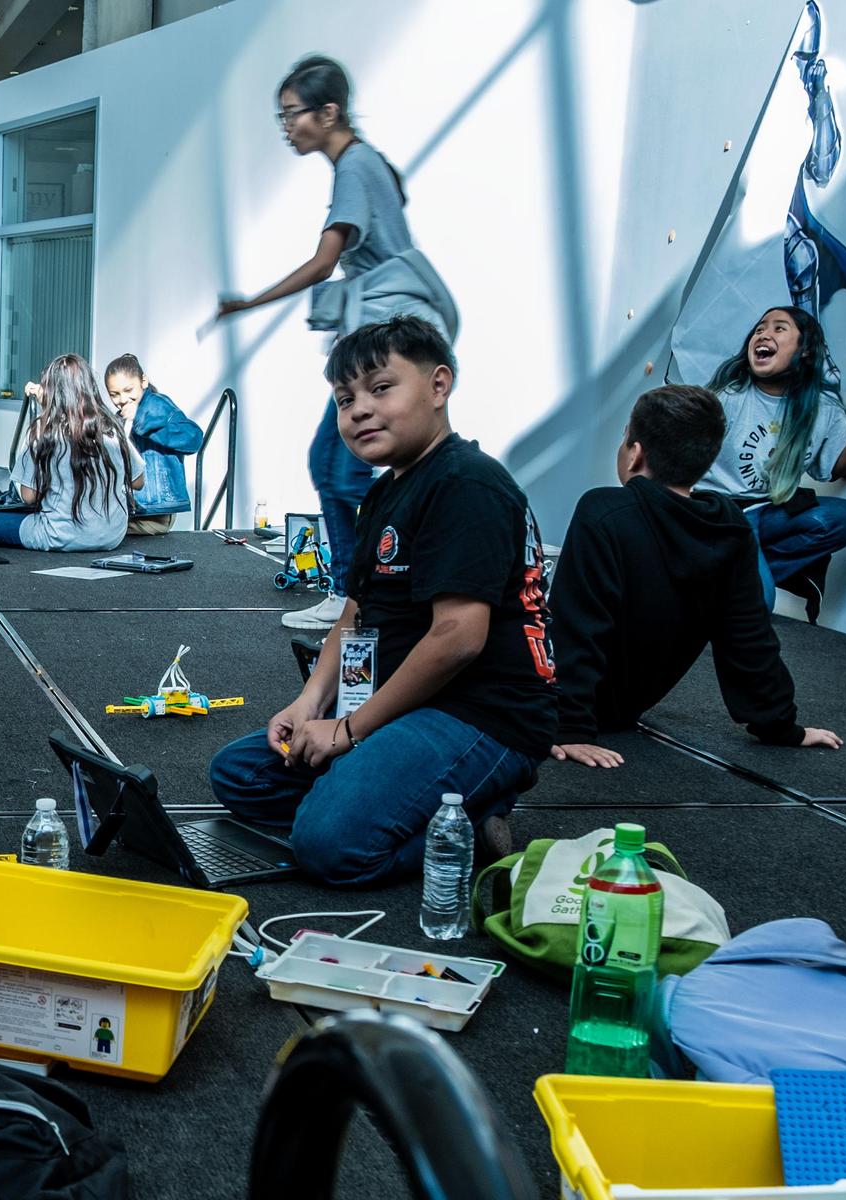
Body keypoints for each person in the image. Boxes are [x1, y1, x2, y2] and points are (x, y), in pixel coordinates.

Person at [208, 317, 553, 885]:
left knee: (328, 844)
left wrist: (348, 733)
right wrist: (310, 705)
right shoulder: (386, 492)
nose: (358, 411)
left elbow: (458, 638)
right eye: (345, 400)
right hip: (406, 704)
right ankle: (415, 799)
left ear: (439, 386)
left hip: (480, 715)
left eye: (380, 388)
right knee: (241, 774)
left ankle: (472, 814)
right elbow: (354, 613)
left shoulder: (467, 484)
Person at [211, 55, 456, 631]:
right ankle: (368, 590)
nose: (287, 127)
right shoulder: (363, 165)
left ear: (329, 111)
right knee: (341, 467)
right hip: (392, 342)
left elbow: (325, 263)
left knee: (337, 467)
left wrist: (248, 303)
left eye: (292, 114)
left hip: (388, 343)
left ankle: (360, 592)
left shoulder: (355, 167)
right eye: (282, 117)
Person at [550, 384, 842, 768]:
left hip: (556, 708)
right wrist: (781, 726)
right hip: (618, 713)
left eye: (625, 439)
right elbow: (748, 639)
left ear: (635, 453)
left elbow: (577, 624)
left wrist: (568, 726)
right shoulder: (728, 527)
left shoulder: (603, 511)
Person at [698, 305, 846, 618]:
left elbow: (834, 467)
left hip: (767, 511)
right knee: (759, 603)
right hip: (720, 511)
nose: (764, 333)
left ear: (805, 352)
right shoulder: (728, 398)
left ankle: (727, 576)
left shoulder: (823, 409)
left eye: (779, 328)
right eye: (760, 328)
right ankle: (735, 578)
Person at [0, 354, 141, 552]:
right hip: (112, 536)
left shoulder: (43, 432)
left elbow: (29, 496)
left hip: (58, 535)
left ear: (50, 392)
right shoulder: (111, 428)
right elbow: (138, 481)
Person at [105, 353, 202, 535]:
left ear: (143, 382)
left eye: (128, 390)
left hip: (156, 510)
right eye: (114, 394)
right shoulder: (121, 417)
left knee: (101, 531)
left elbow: (194, 438)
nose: (123, 399)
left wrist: (140, 419)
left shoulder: (157, 405)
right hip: (136, 509)